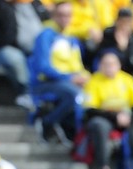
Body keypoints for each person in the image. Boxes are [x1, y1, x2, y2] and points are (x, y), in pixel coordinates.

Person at [28, 1, 89, 143]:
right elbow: (43, 67)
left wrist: (85, 77)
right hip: (48, 82)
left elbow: (78, 66)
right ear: (53, 16)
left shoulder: (72, 38)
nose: (64, 19)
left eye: (68, 15)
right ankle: (47, 122)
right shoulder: (45, 36)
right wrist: (69, 78)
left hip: (68, 81)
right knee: (76, 95)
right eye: (61, 15)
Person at [81, 50, 133, 169]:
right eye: (106, 64)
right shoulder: (94, 81)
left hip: (127, 118)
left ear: (119, 65)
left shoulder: (127, 80)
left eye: (112, 63)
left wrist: (129, 117)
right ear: (100, 66)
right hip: (105, 119)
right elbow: (90, 110)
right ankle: (102, 168)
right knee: (99, 125)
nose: (109, 67)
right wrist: (115, 117)